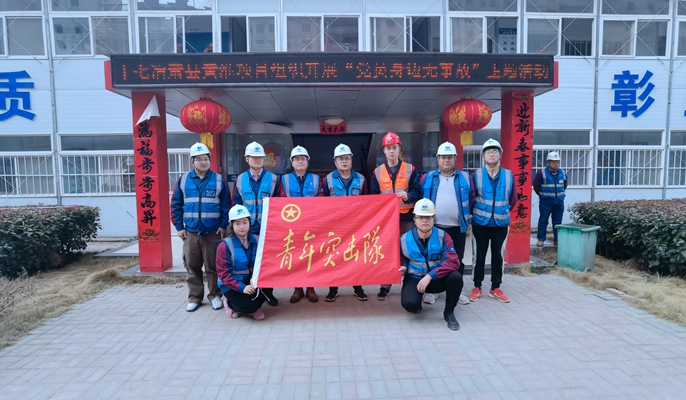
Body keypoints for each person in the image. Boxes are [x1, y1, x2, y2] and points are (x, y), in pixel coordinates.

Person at [171, 142, 231, 312]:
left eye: (205, 159)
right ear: (192, 162)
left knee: (213, 267)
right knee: (192, 266)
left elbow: (226, 205)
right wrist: (179, 227)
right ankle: (195, 297)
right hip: (190, 232)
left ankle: (215, 295)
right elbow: (175, 205)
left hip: (213, 232)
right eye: (198, 159)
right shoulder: (183, 180)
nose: (203, 162)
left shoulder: (218, 180)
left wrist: (223, 225)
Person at [370, 132, 421, 301]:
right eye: (388, 148)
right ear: (384, 151)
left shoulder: (410, 169)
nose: (391, 151)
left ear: (399, 149)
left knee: (409, 250)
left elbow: (417, 191)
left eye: (394, 147)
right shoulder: (377, 172)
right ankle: (385, 285)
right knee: (387, 251)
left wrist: (408, 196)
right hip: (387, 221)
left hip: (407, 218)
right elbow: (373, 197)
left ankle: (409, 283)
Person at [420, 141, 472, 306]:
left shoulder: (465, 177)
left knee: (457, 259)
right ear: (438, 159)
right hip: (435, 227)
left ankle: (457, 290)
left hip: (458, 227)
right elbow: (421, 199)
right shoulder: (428, 177)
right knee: (434, 258)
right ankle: (432, 290)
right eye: (443, 157)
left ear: (455, 158)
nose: (446, 160)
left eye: (449, 157)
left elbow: (471, 199)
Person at [399, 199, 463, 331]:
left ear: (433, 219)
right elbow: (401, 256)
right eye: (421, 217)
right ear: (415, 219)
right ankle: (417, 302)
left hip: (436, 279)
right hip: (415, 279)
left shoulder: (443, 236)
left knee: (456, 277)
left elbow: (453, 261)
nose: (424, 221)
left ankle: (449, 312)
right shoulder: (404, 238)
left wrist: (430, 276)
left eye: (428, 217)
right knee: (410, 305)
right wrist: (404, 266)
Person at [468, 138, 517, 304]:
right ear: (483, 156)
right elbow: (471, 197)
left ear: (500, 155)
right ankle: (477, 287)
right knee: (479, 257)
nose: (491, 154)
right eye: (488, 151)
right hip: (480, 223)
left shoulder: (509, 175)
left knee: (498, 256)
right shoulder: (476, 175)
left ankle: (495, 287)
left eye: (495, 151)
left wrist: (503, 211)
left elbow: (513, 198)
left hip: (500, 223)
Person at [233, 141, 279, 306]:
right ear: (247, 159)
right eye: (254, 157)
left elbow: (278, 205)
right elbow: (236, 204)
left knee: (268, 262)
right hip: (247, 230)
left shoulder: (273, 179)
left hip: (267, 229)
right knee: (247, 262)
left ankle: (268, 293)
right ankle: (250, 293)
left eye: (260, 157)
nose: (257, 160)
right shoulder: (240, 180)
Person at [323, 143, 368, 302]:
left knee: (356, 257)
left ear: (351, 160)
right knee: (334, 258)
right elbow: (322, 203)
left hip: (356, 226)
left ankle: (358, 288)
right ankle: (333, 289)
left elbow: (368, 202)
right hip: (335, 227)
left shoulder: (361, 179)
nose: (344, 161)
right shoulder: (327, 179)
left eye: (347, 158)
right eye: (340, 158)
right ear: (335, 161)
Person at [279, 145, 323, 303]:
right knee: (295, 258)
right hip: (292, 227)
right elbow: (281, 201)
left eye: (303, 159)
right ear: (292, 162)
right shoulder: (284, 180)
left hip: (312, 226)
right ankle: (297, 289)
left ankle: (311, 288)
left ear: (307, 161)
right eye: (297, 159)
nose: (300, 162)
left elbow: (322, 201)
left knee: (311, 257)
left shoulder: (316, 179)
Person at [216, 205, 267, 320]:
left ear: (249, 222)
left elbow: (264, 263)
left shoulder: (257, 240)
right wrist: (242, 287)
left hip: (250, 280)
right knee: (251, 305)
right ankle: (229, 303)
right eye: (237, 223)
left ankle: (249, 306)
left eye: (244, 222)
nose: (242, 227)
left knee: (266, 292)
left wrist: (256, 278)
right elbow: (224, 275)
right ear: (231, 225)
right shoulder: (224, 245)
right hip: (230, 284)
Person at [534, 151, 567, 247]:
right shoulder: (542, 173)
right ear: (548, 162)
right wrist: (544, 196)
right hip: (546, 202)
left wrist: (559, 196)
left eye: (558, 162)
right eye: (554, 162)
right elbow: (536, 186)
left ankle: (557, 240)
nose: (556, 164)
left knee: (557, 222)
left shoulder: (563, 172)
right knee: (543, 220)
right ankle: (541, 239)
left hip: (559, 202)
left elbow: (564, 185)